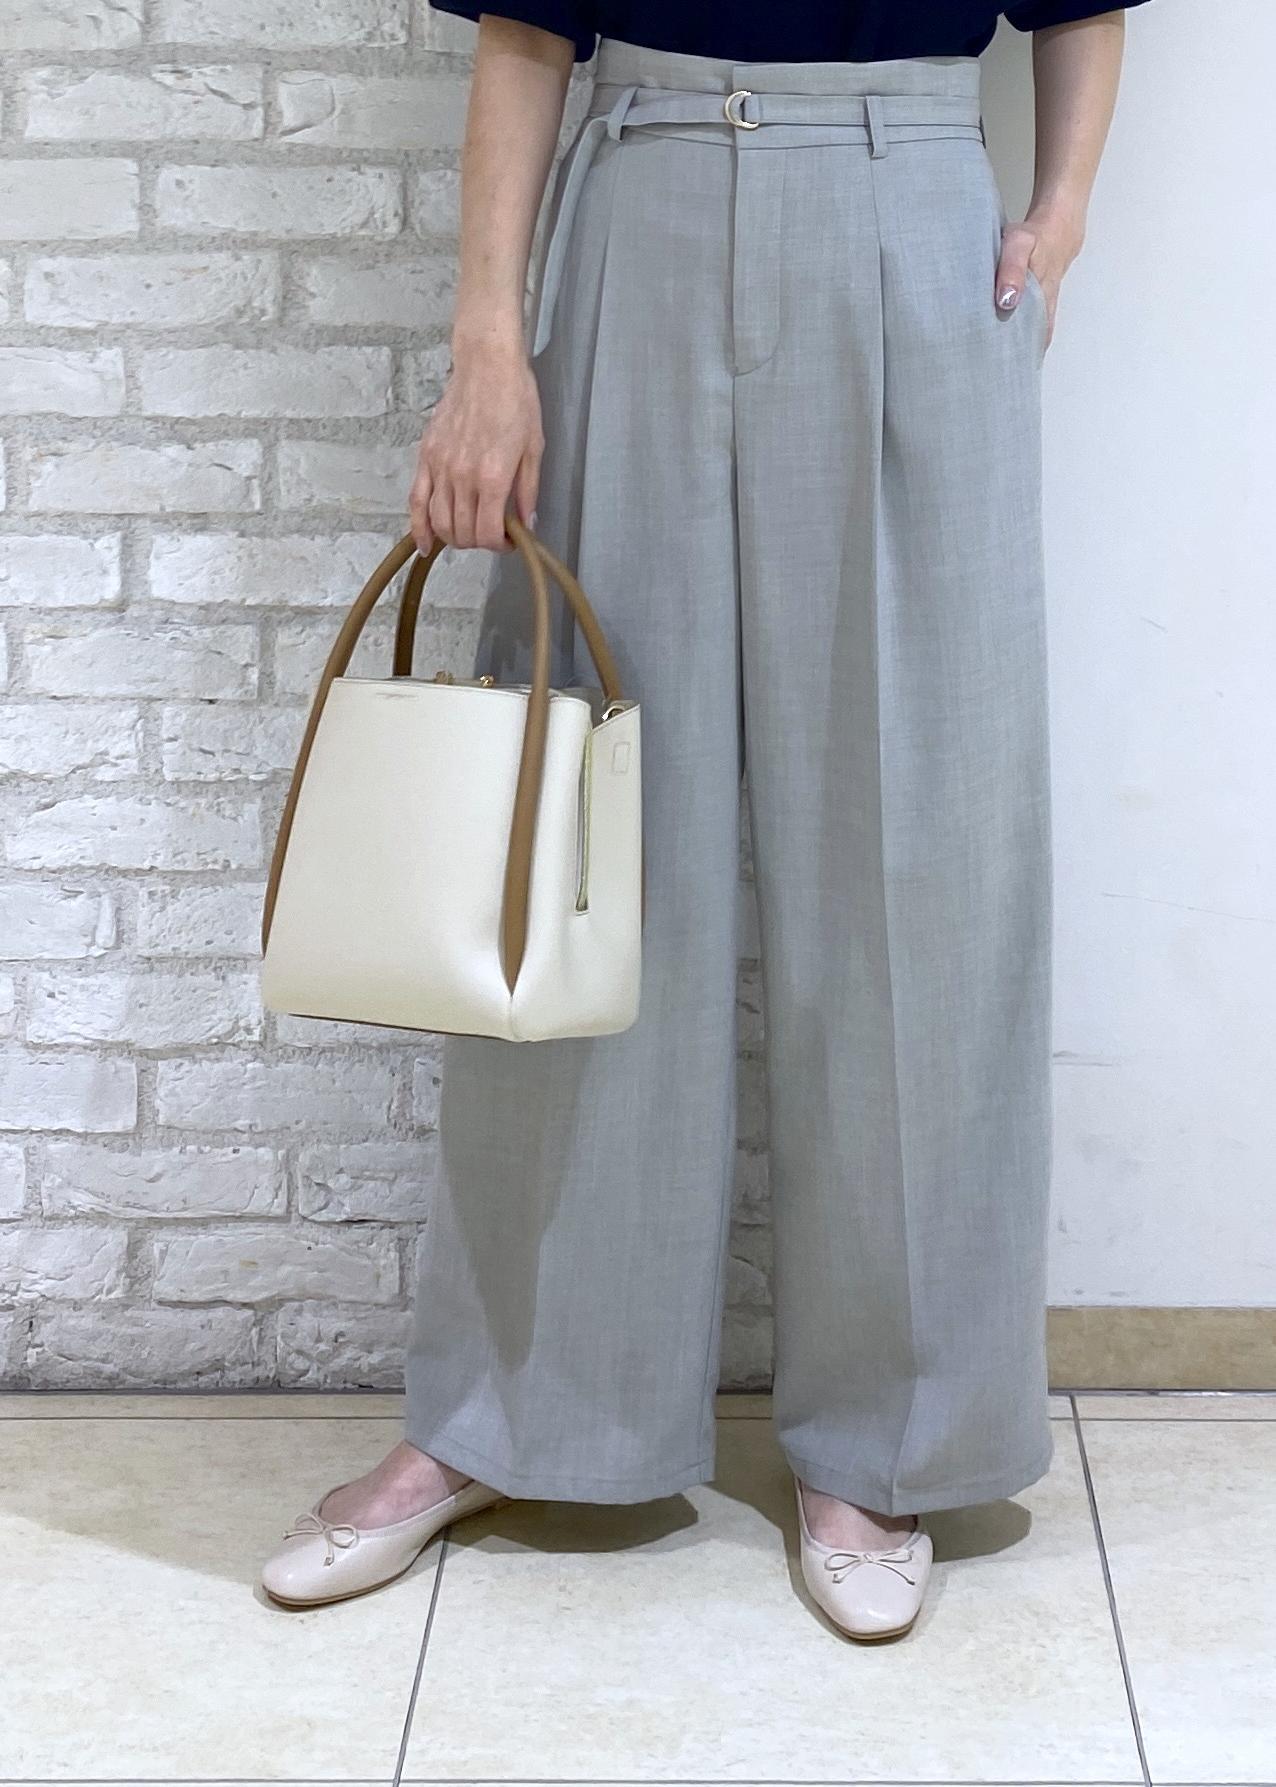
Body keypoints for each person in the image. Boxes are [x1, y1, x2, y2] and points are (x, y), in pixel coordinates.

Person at [260, 2, 1144, 1639]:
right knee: (581, 849)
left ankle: (890, 1440)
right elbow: (526, 27)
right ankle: (512, 1412)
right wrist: (486, 342)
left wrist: (1064, 210)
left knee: (920, 851)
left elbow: (1084, 1)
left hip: (911, 208)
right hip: (641, 199)